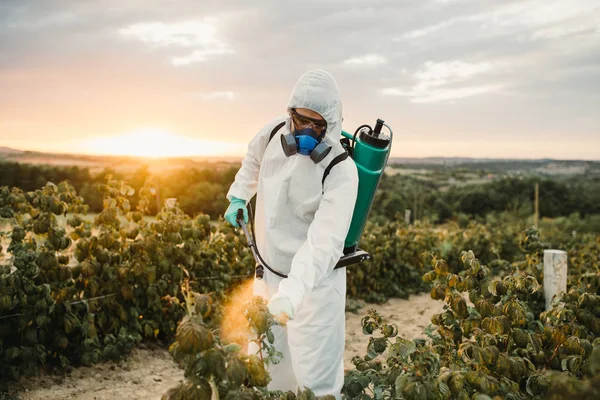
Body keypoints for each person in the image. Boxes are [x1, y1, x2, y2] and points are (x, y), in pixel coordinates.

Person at [223, 69, 358, 398]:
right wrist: (240, 194)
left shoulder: (341, 169)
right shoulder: (271, 134)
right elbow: (252, 160)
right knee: (270, 371)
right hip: (268, 276)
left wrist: (293, 292)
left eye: (318, 125)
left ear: (331, 125)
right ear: (290, 115)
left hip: (314, 288)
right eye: (302, 121)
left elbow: (323, 243)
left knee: (317, 383)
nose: (308, 131)